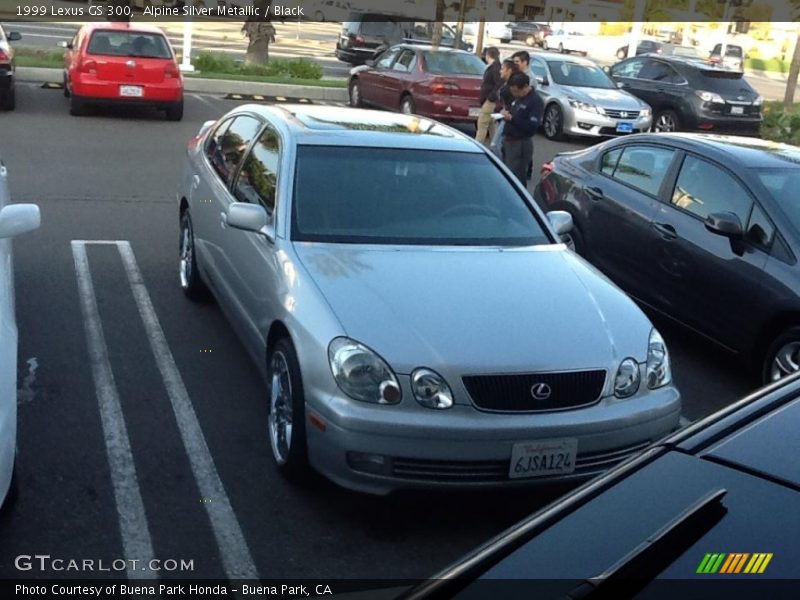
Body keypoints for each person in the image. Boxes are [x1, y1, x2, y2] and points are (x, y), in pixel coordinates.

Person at [501, 72, 544, 186]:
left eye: (516, 91)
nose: (514, 94)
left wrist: (512, 119)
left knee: (515, 177)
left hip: (520, 143)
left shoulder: (535, 101)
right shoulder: (519, 98)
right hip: (508, 140)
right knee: (505, 174)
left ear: (525, 87)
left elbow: (531, 126)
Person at [475, 47, 502, 147]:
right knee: (491, 124)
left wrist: (491, 96)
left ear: (488, 55)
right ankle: (495, 145)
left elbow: (498, 83)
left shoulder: (495, 68)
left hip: (490, 100)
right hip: (489, 99)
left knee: (482, 123)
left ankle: (477, 146)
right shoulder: (495, 66)